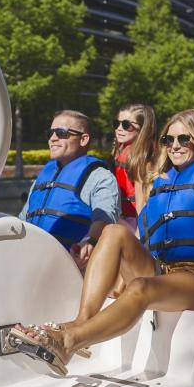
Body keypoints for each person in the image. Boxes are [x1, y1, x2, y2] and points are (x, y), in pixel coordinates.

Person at [12, 109, 194, 376]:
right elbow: (144, 237)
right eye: (167, 140)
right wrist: (111, 273)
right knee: (114, 231)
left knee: (139, 287)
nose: (174, 146)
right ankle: (81, 321)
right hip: (163, 268)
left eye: (183, 139)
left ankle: (69, 341)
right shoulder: (160, 179)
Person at [20, 110, 120, 269]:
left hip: (71, 267)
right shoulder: (43, 178)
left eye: (61, 132)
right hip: (29, 259)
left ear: (83, 139)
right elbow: (22, 220)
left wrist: (90, 241)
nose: (53, 138)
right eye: (50, 133)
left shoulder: (100, 177)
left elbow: (106, 218)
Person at [110, 104, 158, 230]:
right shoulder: (120, 150)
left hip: (134, 222)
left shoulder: (140, 159)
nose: (119, 129)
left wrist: (140, 233)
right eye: (117, 124)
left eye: (126, 125)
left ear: (142, 129)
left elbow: (141, 201)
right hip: (120, 217)